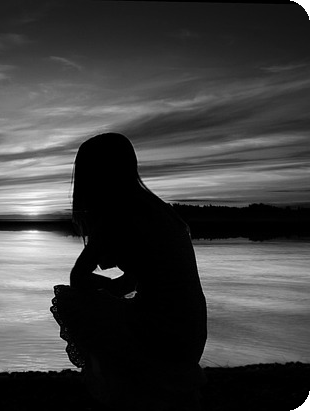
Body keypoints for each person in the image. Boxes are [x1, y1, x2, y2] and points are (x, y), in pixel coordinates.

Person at [50, 133, 207, 410]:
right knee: (110, 306)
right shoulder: (157, 210)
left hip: (165, 331)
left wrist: (107, 293)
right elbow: (140, 278)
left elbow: (79, 277)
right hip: (192, 330)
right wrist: (116, 292)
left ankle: (122, 390)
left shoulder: (118, 215)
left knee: (70, 301)